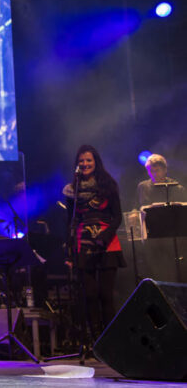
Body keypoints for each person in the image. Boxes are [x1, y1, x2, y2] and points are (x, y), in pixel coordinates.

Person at [62, 145, 126, 340]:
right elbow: (70, 221)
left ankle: (111, 340)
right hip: (83, 243)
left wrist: (104, 236)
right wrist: (70, 250)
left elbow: (117, 216)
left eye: (88, 160)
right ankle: (95, 340)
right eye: (81, 161)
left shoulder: (108, 185)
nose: (85, 164)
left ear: (96, 162)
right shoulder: (72, 190)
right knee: (90, 295)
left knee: (106, 295)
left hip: (107, 242)